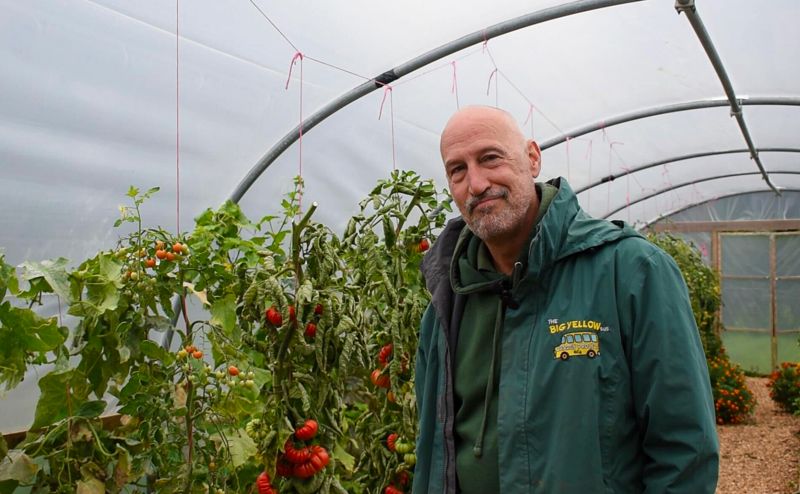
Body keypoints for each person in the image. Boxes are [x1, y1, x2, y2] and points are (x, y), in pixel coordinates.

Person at [414, 106, 718, 494]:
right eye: (458, 170)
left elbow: (684, 449)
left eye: (490, 158)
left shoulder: (630, 271)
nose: (475, 184)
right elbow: (434, 448)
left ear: (532, 158)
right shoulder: (447, 301)